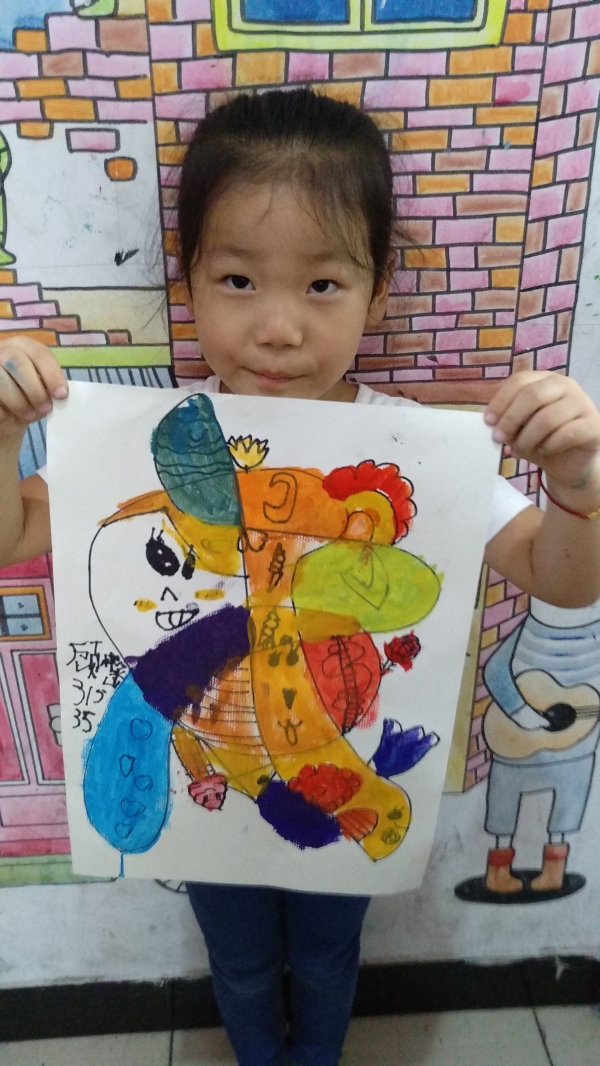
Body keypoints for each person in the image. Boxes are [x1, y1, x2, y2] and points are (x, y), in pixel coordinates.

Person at [1, 88, 599, 1066]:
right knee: (238, 964)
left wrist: (577, 483)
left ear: (379, 289)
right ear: (189, 279)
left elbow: (561, 578)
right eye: (238, 278)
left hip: (344, 766)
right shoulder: (156, 443)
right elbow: (14, 532)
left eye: (322, 284)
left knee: (327, 958)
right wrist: (3, 434)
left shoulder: (414, 451)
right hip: (222, 772)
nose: (278, 327)